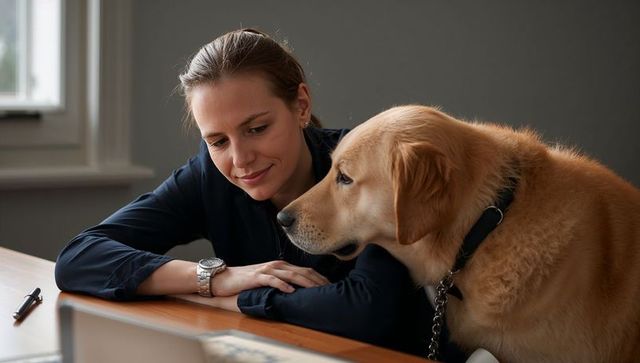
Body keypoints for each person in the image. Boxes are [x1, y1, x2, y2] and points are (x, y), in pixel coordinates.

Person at [55, 28, 464, 360]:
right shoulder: (208, 177)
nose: (240, 159)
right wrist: (217, 279)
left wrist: (242, 300)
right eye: (217, 141)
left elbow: (366, 310)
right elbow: (79, 258)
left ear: (300, 106)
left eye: (256, 129)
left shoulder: (368, 169)